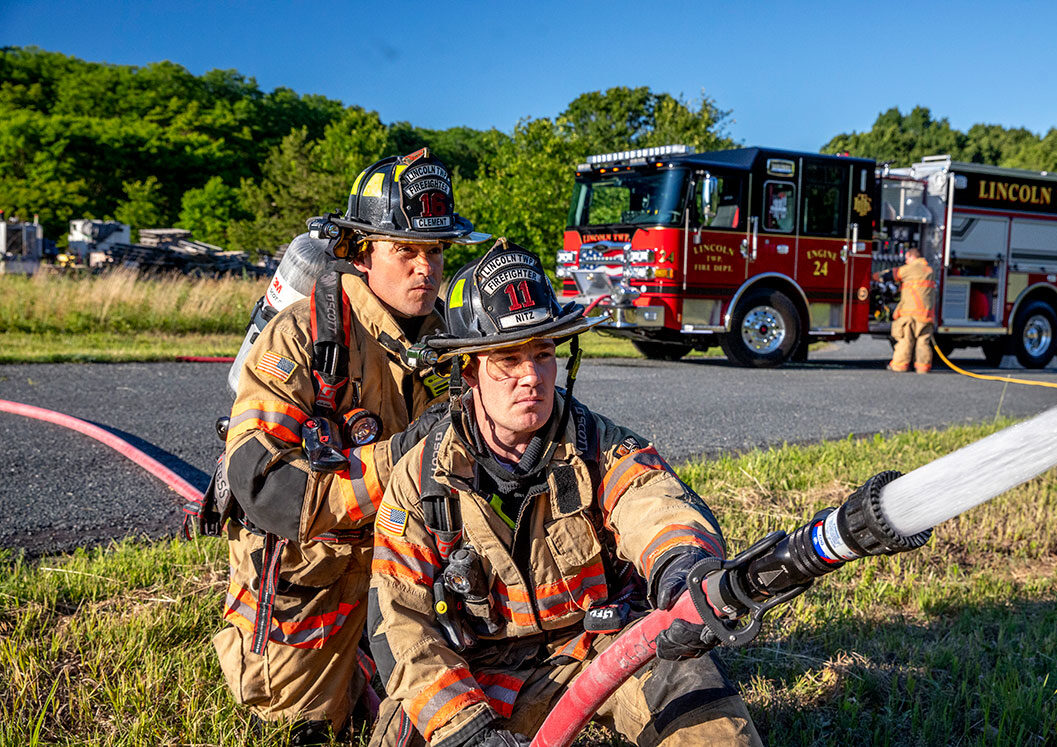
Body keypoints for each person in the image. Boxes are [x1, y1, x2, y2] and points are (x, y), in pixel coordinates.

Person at [366, 240, 763, 746]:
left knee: (707, 718)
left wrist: (680, 565)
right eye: (507, 359)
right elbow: (403, 624)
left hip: (603, 649)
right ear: (467, 373)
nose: (531, 376)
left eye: (544, 353)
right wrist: (465, 731)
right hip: (477, 677)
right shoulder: (421, 481)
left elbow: (653, 501)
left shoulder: (603, 447)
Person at [213, 148, 488, 742]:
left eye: (436, 251)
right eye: (405, 250)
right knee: (303, 721)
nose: (426, 268)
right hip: (316, 575)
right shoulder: (306, 335)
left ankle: (383, 653)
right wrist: (397, 459)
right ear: (364, 252)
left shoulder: (454, 344)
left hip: (416, 563)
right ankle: (352, 661)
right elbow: (264, 486)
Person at [879, 248, 936, 373]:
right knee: (923, 342)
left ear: (912, 257)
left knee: (905, 340)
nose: (905, 261)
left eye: (906, 258)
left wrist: (875, 276)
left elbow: (893, 274)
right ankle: (923, 367)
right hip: (926, 315)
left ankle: (899, 366)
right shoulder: (929, 270)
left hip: (910, 315)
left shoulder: (911, 268)